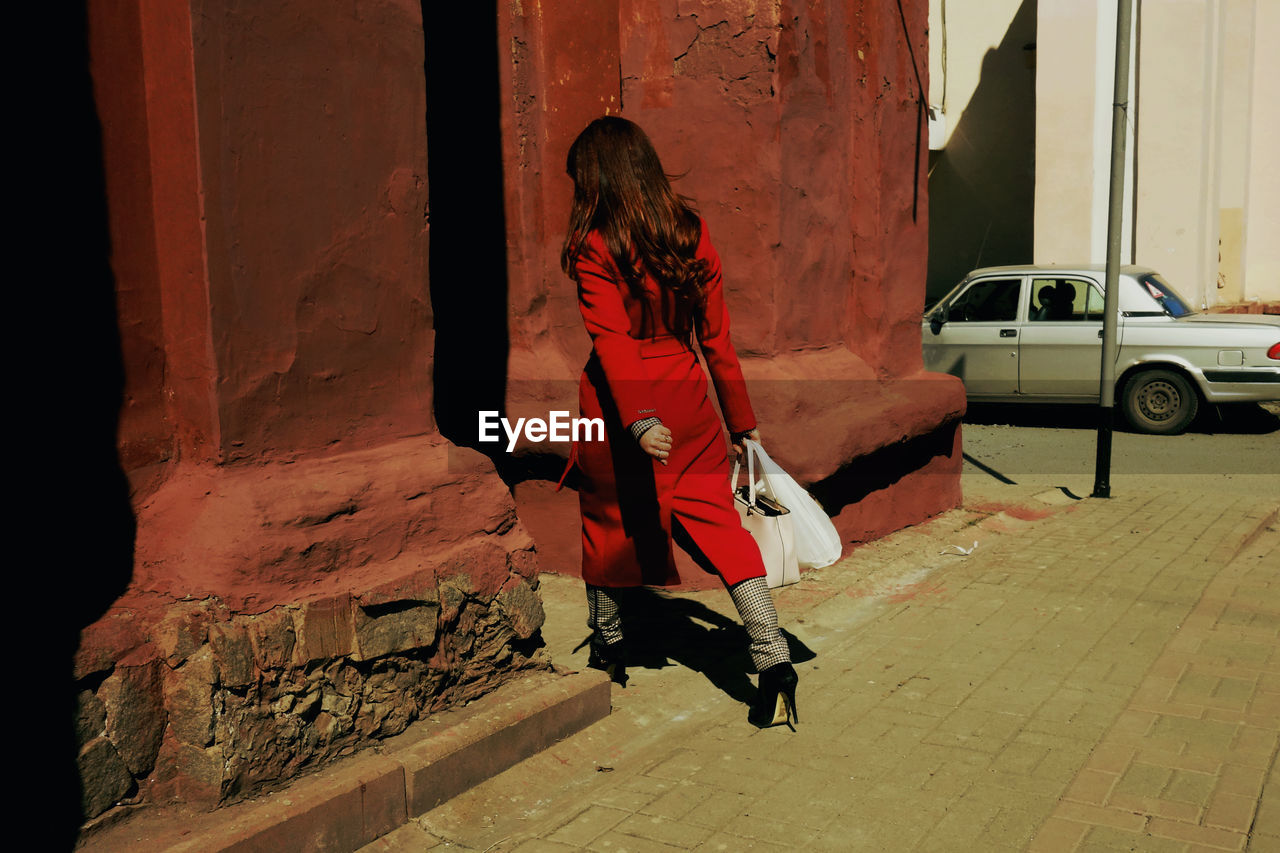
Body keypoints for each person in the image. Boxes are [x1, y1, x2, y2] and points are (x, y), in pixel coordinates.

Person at [559, 116, 797, 728]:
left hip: (621, 402)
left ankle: (609, 644)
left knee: (609, 521)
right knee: (721, 527)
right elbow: (717, 339)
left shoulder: (597, 245)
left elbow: (612, 340)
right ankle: (771, 656)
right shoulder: (690, 233)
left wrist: (638, 418)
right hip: (690, 396)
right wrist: (742, 422)